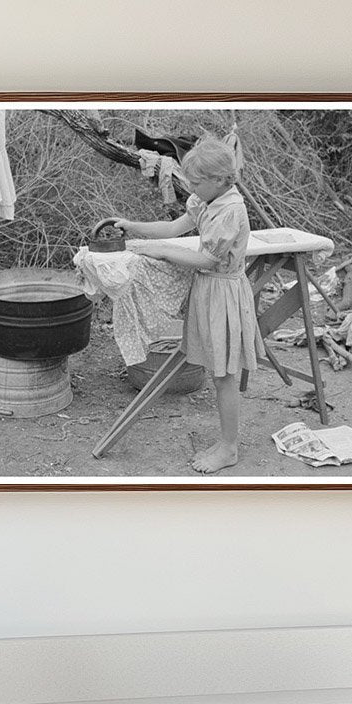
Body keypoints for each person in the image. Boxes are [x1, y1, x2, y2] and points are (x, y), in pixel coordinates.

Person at [115, 136, 264, 474]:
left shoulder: (230, 210)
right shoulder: (207, 200)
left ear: (221, 179)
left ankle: (229, 448)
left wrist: (163, 251)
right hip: (209, 292)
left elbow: (208, 260)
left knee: (224, 375)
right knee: (218, 372)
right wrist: (132, 227)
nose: (192, 188)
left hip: (224, 294)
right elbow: (174, 227)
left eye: (197, 182)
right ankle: (226, 441)